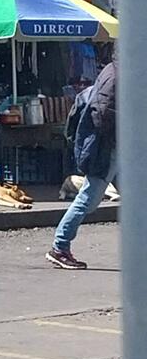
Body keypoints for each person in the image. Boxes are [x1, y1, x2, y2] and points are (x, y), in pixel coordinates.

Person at [49, 57, 116, 270]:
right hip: (108, 147)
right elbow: (103, 112)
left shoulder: (116, 70)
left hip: (114, 146)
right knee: (88, 199)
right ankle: (60, 247)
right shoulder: (117, 75)